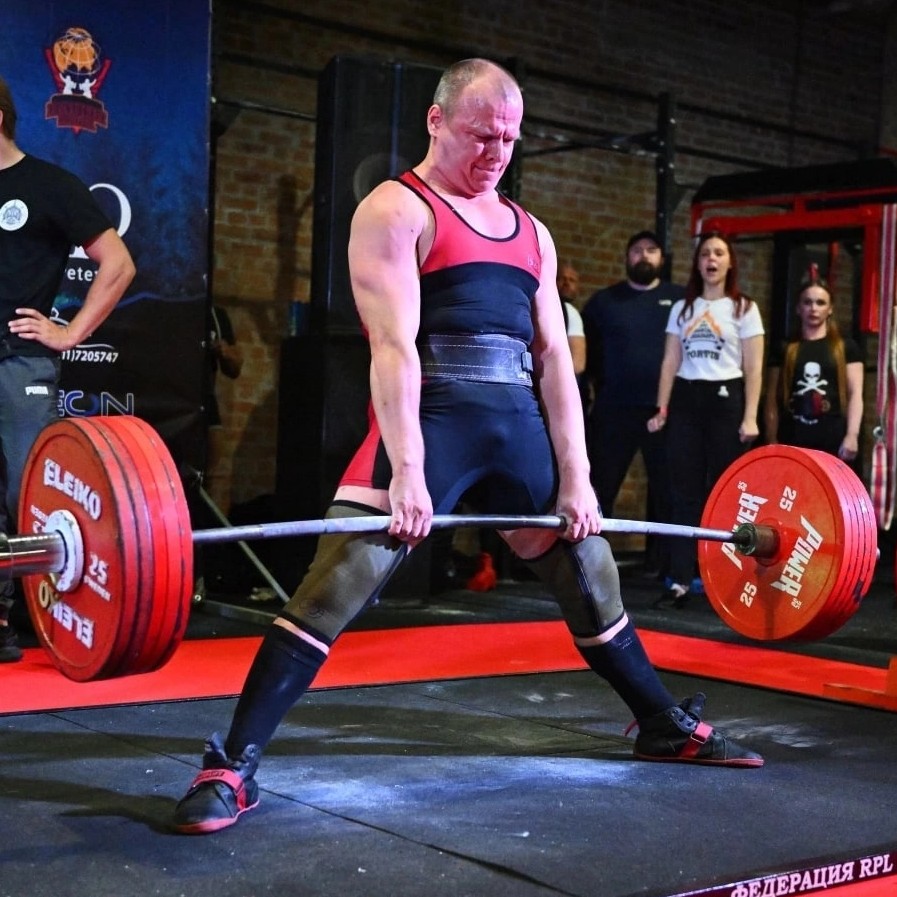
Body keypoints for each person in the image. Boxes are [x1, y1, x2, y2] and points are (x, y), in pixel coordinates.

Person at [172, 59, 762, 836]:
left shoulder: (532, 233)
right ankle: (232, 763)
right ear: (436, 120)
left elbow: (553, 361)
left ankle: (658, 722)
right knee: (338, 580)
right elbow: (393, 347)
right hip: (431, 419)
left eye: (509, 139)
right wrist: (408, 469)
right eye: (482, 135)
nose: (496, 153)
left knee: (591, 572)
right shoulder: (395, 208)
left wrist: (577, 478)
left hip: (516, 422)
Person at [0, 76, 135, 663]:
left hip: (18, 361)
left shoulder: (48, 185)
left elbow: (118, 263)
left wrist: (70, 332)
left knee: (25, 493)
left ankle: (54, 616)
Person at [647, 232, 764, 607]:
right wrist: (662, 408)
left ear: (730, 262)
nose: (712, 259)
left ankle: (726, 581)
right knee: (684, 493)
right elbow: (669, 360)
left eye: (719, 253)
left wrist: (750, 416)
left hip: (726, 400)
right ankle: (680, 580)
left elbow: (754, 367)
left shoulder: (743, 308)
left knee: (727, 494)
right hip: (687, 399)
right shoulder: (683, 309)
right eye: (705, 254)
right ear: (698, 263)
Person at [582, 231, 684, 578]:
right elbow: (588, 356)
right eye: (637, 250)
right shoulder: (603, 302)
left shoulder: (680, 301)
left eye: (651, 250)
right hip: (614, 409)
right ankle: (594, 567)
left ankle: (667, 568)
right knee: (601, 488)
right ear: (627, 257)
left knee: (668, 491)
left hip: (663, 410)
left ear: (662, 259)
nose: (644, 256)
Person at [764, 264, 863, 467]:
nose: (814, 308)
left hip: (833, 440)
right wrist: (772, 438)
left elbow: (855, 394)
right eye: (807, 302)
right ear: (798, 308)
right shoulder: (785, 348)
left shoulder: (845, 347)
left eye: (820, 302)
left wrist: (852, 434)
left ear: (830, 309)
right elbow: (772, 397)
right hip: (792, 437)